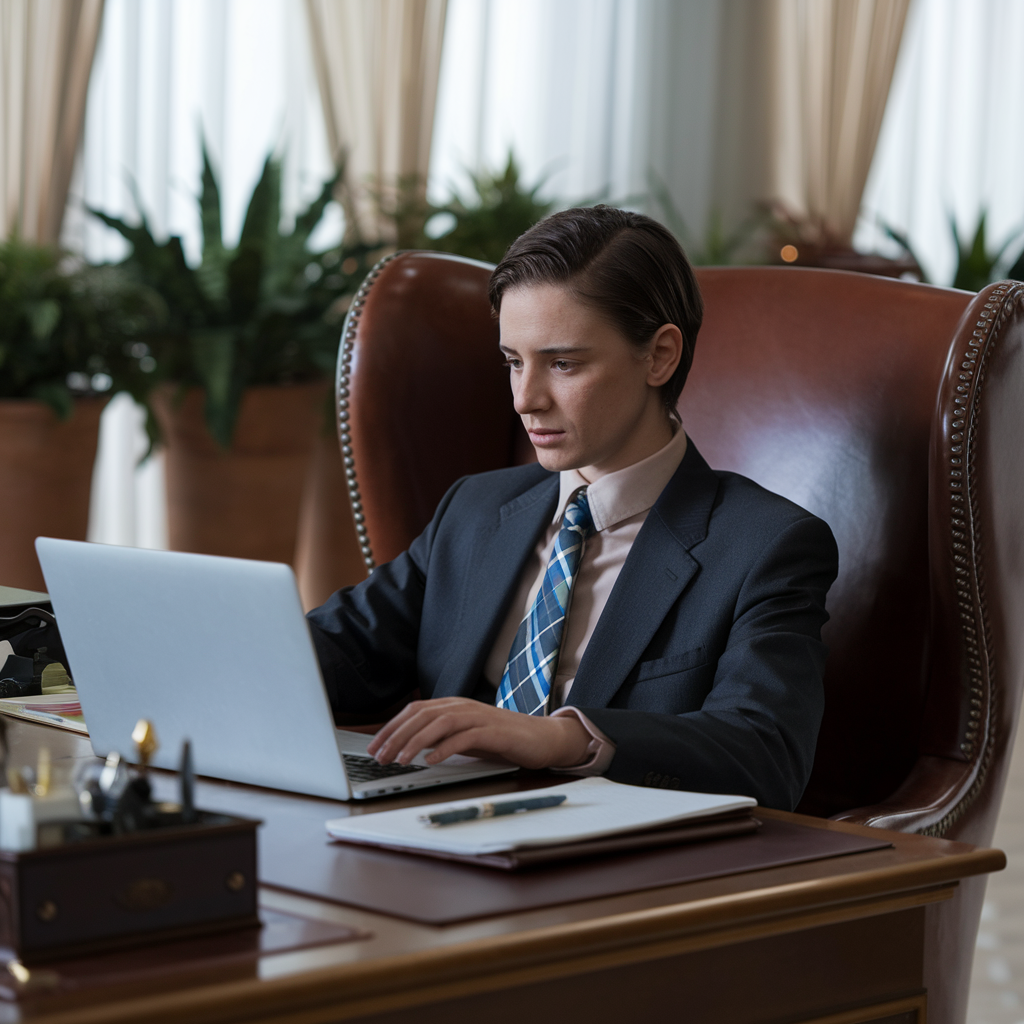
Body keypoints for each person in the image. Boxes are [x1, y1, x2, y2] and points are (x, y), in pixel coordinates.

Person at [307, 206, 839, 810]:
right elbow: (338, 651)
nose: (525, 399)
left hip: (618, 870)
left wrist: (560, 738)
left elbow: (765, 753)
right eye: (513, 361)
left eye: (563, 363)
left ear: (660, 356)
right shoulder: (476, 509)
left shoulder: (764, 545)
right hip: (435, 836)